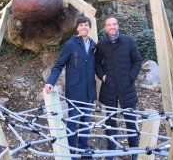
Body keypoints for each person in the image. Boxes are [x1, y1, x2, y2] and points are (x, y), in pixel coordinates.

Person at [44, 16, 97, 154]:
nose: (84, 27)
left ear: (89, 28)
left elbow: (95, 68)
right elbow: (58, 66)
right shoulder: (70, 44)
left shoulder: (93, 45)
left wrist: (95, 93)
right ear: (77, 28)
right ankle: (71, 152)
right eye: (81, 25)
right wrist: (50, 82)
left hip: (89, 92)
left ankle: (84, 149)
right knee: (72, 123)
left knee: (86, 123)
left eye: (86, 25)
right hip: (74, 91)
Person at [95, 16, 142, 160]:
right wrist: (102, 76)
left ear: (118, 25)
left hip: (126, 88)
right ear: (105, 28)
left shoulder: (128, 41)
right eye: (109, 25)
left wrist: (131, 77)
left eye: (114, 24)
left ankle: (134, 152)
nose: (112, 27)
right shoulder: (102, 44)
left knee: (131, 121)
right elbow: (97, 63)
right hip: (109, 88)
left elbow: (137, 60)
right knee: (110, 121)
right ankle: (111, 151)